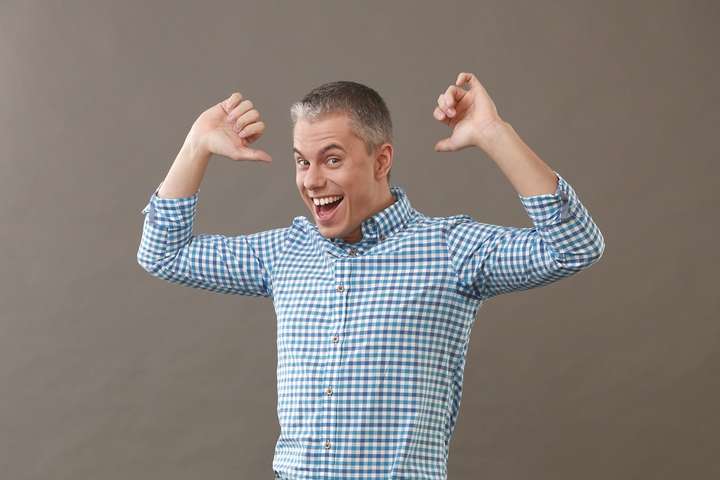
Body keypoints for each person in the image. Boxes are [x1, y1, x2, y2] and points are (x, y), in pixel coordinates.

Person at [137, 72, 605, 479]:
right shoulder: (284, 253)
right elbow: (162, 253)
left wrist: (494, 134)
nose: (312, 180)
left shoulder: (449, 251)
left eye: (332, 159)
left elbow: (575, 247)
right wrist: (196, 146)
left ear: (381, 161)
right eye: (302, 161)